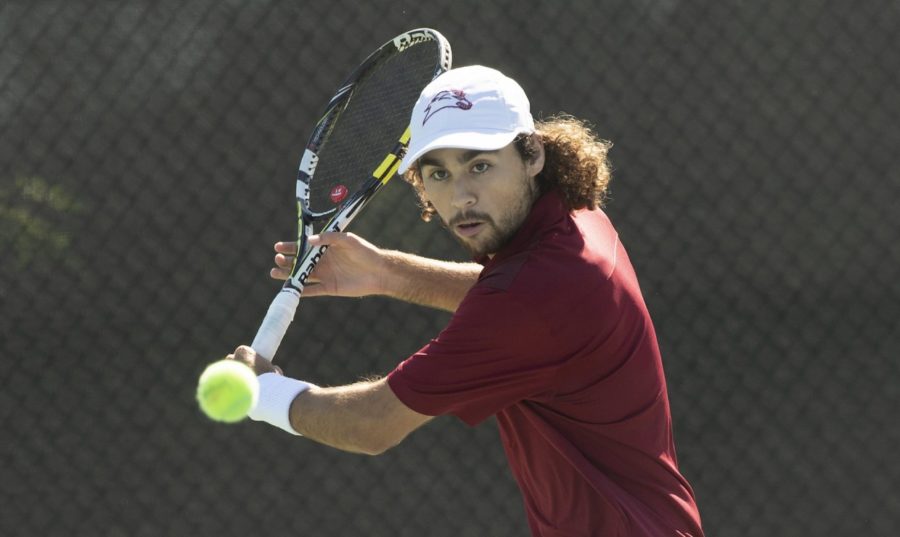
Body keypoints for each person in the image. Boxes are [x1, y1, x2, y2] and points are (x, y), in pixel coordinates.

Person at [227, 65, 704, 537]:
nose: (460, 196)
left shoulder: (531, 300)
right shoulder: (576, 219)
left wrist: (262, 393)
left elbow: (371, 424)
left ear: (532, 152)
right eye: (438, 173)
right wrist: (386, 272)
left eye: (479, 165)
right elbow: (514, 300)